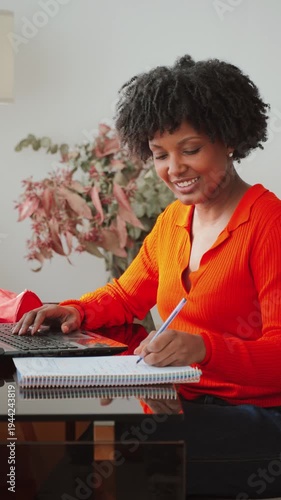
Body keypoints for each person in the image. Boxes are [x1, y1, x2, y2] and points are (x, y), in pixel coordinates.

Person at [13, 55, 281, 498]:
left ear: (229, 139)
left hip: (257, 417)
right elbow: (125, 294)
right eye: (160, 154)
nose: (174, 168)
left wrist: (203, 348)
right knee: (38, 439)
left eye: (190, 149)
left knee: (80, 455)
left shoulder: (269, 225)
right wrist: (76, 309)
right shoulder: (175, 220)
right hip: (180, 401)